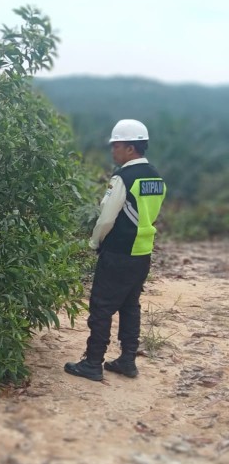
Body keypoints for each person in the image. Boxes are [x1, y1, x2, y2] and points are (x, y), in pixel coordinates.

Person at [65, 119, 166, 381]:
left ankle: (92, 363)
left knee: (101, 307)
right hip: (142, 252)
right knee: (130, 306)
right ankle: (127, 361)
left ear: (130, 148)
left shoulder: (123, 177)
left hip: (119, 252)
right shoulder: (155, 176)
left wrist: (95, 242)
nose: (113, 151)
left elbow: (107, 218)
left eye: (117, 146)